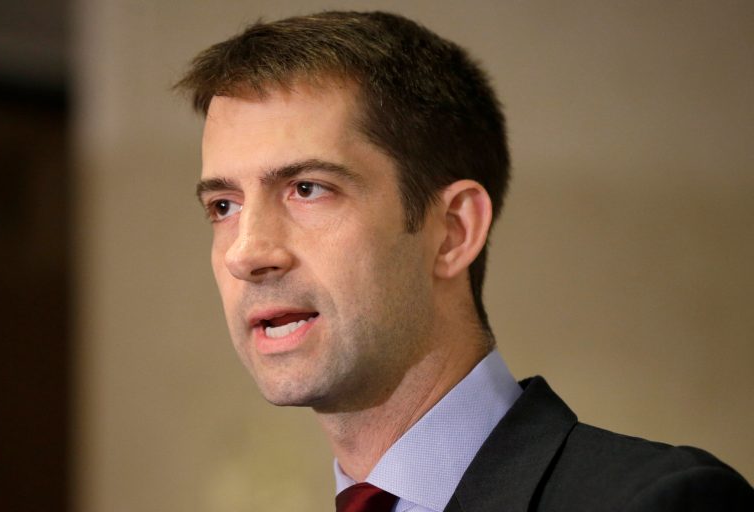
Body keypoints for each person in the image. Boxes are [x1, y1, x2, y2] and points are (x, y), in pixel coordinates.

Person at [176, 10, 753, 512]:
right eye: (224, 205)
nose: (246, 253)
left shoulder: (659, 501)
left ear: (453, 230)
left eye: (307, 189)